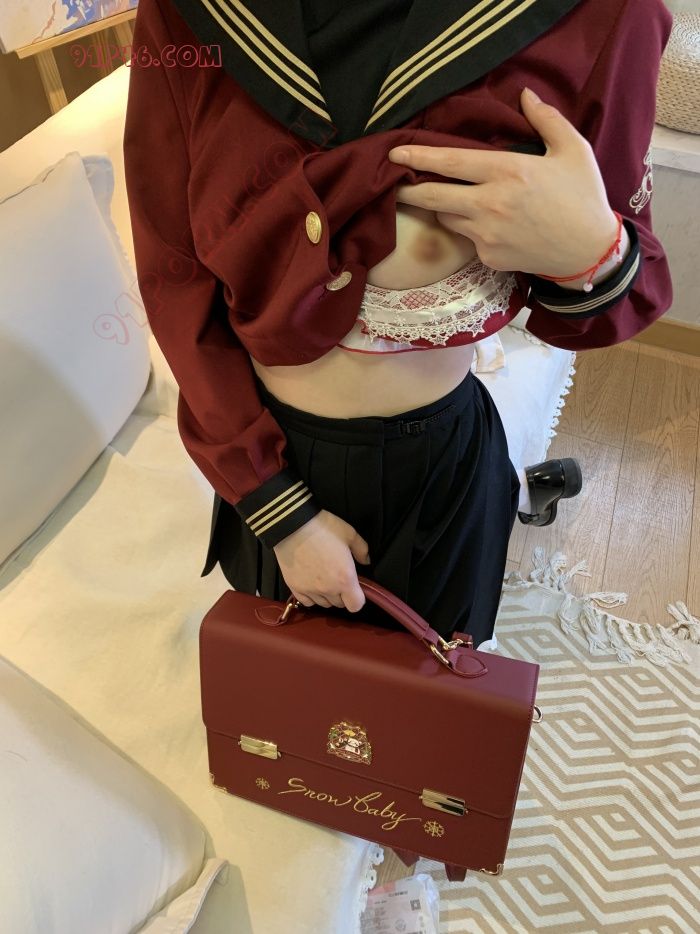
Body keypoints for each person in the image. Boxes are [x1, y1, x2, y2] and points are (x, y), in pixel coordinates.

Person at [123, 0, 673, 649]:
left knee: (432, 684)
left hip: (443, 462)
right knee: (285, 684)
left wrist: (591, 252)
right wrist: (280, 513)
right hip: (270, 453)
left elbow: (624, 288)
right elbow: (174, 277)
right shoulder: (187, 14)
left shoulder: (604, 15)